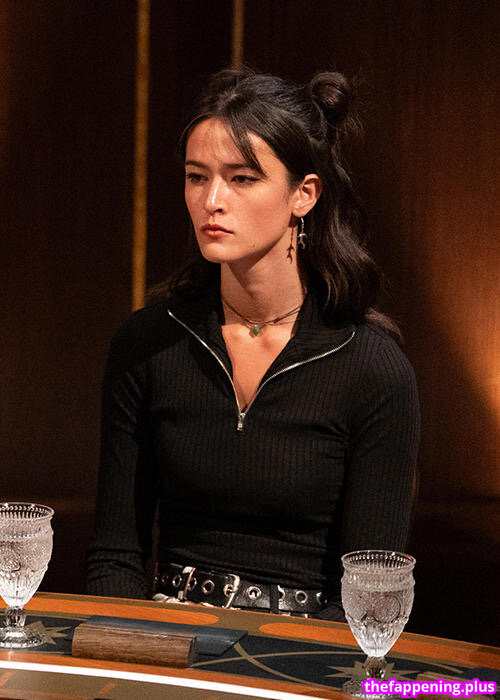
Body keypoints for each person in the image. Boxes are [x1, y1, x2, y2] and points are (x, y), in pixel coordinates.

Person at [86, 68, 420, 619]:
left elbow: (371, 596)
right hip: (166, 636)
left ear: (303, 195)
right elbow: (115, 558)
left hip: (303, 648)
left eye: (242, 178)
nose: (211, 200)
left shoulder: (371, 367)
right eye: (197, 177)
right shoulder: (148, 342)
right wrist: (128, 648)